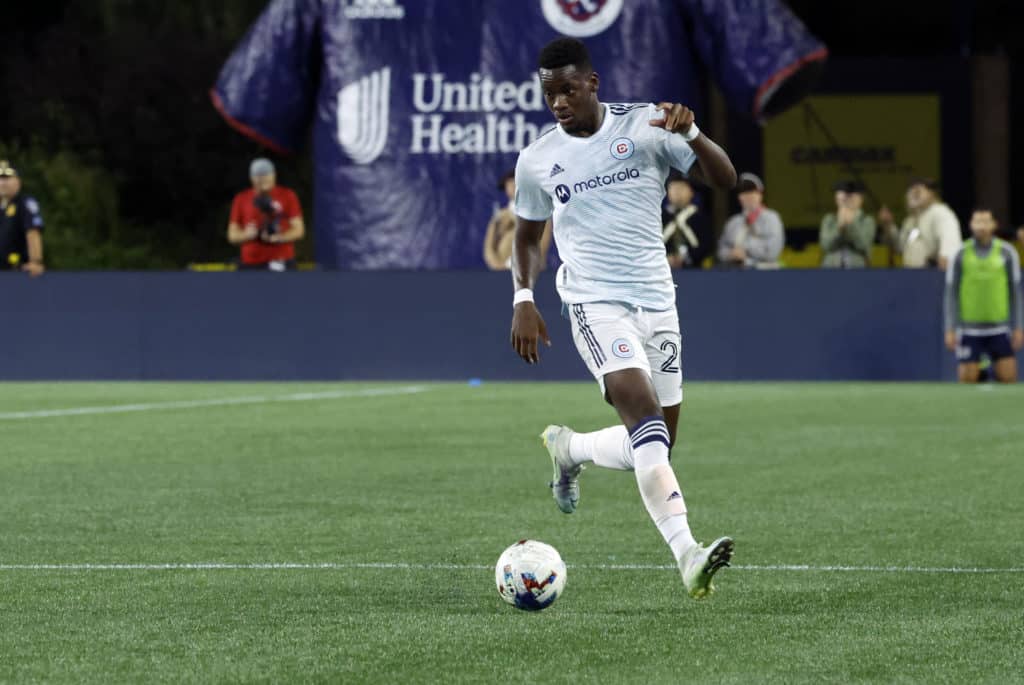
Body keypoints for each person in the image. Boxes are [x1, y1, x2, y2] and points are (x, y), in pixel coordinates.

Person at [509, 38, 737, 599]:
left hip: (658, 300)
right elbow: (526, 236)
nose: (558, 102)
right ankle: (688, 554)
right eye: (548, 93)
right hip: (593, 301)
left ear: (593, 83)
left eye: (567, 88)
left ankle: (572, 449)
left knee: (658, 440)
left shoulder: (648, 126)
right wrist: (523, 297)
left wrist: (691, 133)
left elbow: (726, 180)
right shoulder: (538, 159)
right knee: (641, 413)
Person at [944, 209, 1023, 383]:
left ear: (994, 225)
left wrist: (1018, 327)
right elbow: (951, 293)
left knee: (1008, 378)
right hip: (969, 330)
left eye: (985, 222)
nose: (981, 226)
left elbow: (1016, 293)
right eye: (977, 222)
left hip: (1000, 330)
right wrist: (950, 328)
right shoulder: (960, 253)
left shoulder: (1007, 252)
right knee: (967, 378)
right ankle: (982, 374)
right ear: (971, 225)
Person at [227, 158, 304, 271]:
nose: (263, 179)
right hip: (250, 264)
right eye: (258, 176)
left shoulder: (287, 195)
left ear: (274, 175)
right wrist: (246, 235)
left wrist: (279, 238)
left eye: (267, 175)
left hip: (281, 262)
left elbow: (299, 230)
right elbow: (232, 235)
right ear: (252, 178)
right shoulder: (241, 198)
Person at [878, 178, 961, 270]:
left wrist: (945, 265)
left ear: (931, 194)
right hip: (911, 273)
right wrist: (889, 226)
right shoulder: (910, 220)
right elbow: (900, 247)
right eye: (910, 192)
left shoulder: (940, 212)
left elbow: (950, 246)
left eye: (917, 192)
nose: (912, 196)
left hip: (931, 273)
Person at [483, 170, 551, 270]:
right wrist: (499, 266)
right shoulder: (499, 217)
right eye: (509, 184)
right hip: (501, 274)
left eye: (515, 182)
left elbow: (542, 245)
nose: (512, 187)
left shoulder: (541, 213)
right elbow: (488, 249)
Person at [717, 173, 783, 268]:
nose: (748, 196)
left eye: (752, 191)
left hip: (765, 273)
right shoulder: (733, 222)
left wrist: (745, 249)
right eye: (744, 192)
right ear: (739, 197)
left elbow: (773, 251)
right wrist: (730, 254)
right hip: (735, 273)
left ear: (760, 195)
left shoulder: (772, 218)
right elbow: (721, 250)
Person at [0, 161, 45, 276]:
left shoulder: (24, 203)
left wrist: (35, 261)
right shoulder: (2, 207)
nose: (3, 183)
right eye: (1, 178)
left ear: (18, 181)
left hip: (18, 273)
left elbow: (33, 232)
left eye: (7, 178)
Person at [819, 180, 876, 268]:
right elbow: (825, 245)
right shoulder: (829, 219)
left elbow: (864, 245)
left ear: (861, 199)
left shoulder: (867, 220)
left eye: (852, 196)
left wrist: (851, 225)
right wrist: (839, 228)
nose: (848, 199)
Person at [662, 172, 712, 269]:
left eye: (681, 187)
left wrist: (687, 258)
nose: (677, 191)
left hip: (695, 271)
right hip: (662, 269)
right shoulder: (660, 217)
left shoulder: (699, 217)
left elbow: (707, 244)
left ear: (691, 192)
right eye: (673, 187)